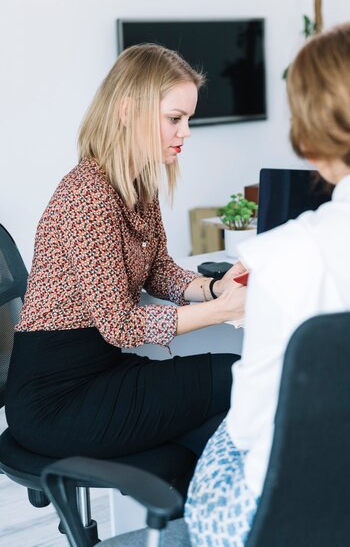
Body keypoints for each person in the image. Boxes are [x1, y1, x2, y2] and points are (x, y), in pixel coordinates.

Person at [184, 21, 350, 547]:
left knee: (226, 435)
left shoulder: (286, 257)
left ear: (308, 140)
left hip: (300, 527)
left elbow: (250, 428)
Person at [5, 43, 247, 461]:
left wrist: (214, 287)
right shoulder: (87, 195)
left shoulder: (139, 185)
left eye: (187, 119)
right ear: (127, 112)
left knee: (222, 410)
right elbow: (120, 325)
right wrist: (224, 310)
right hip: (55, 397)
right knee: (235, 377)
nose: (185, 132)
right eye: (175, 119)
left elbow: (158, 272)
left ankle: (202, 515)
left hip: (100, 372)